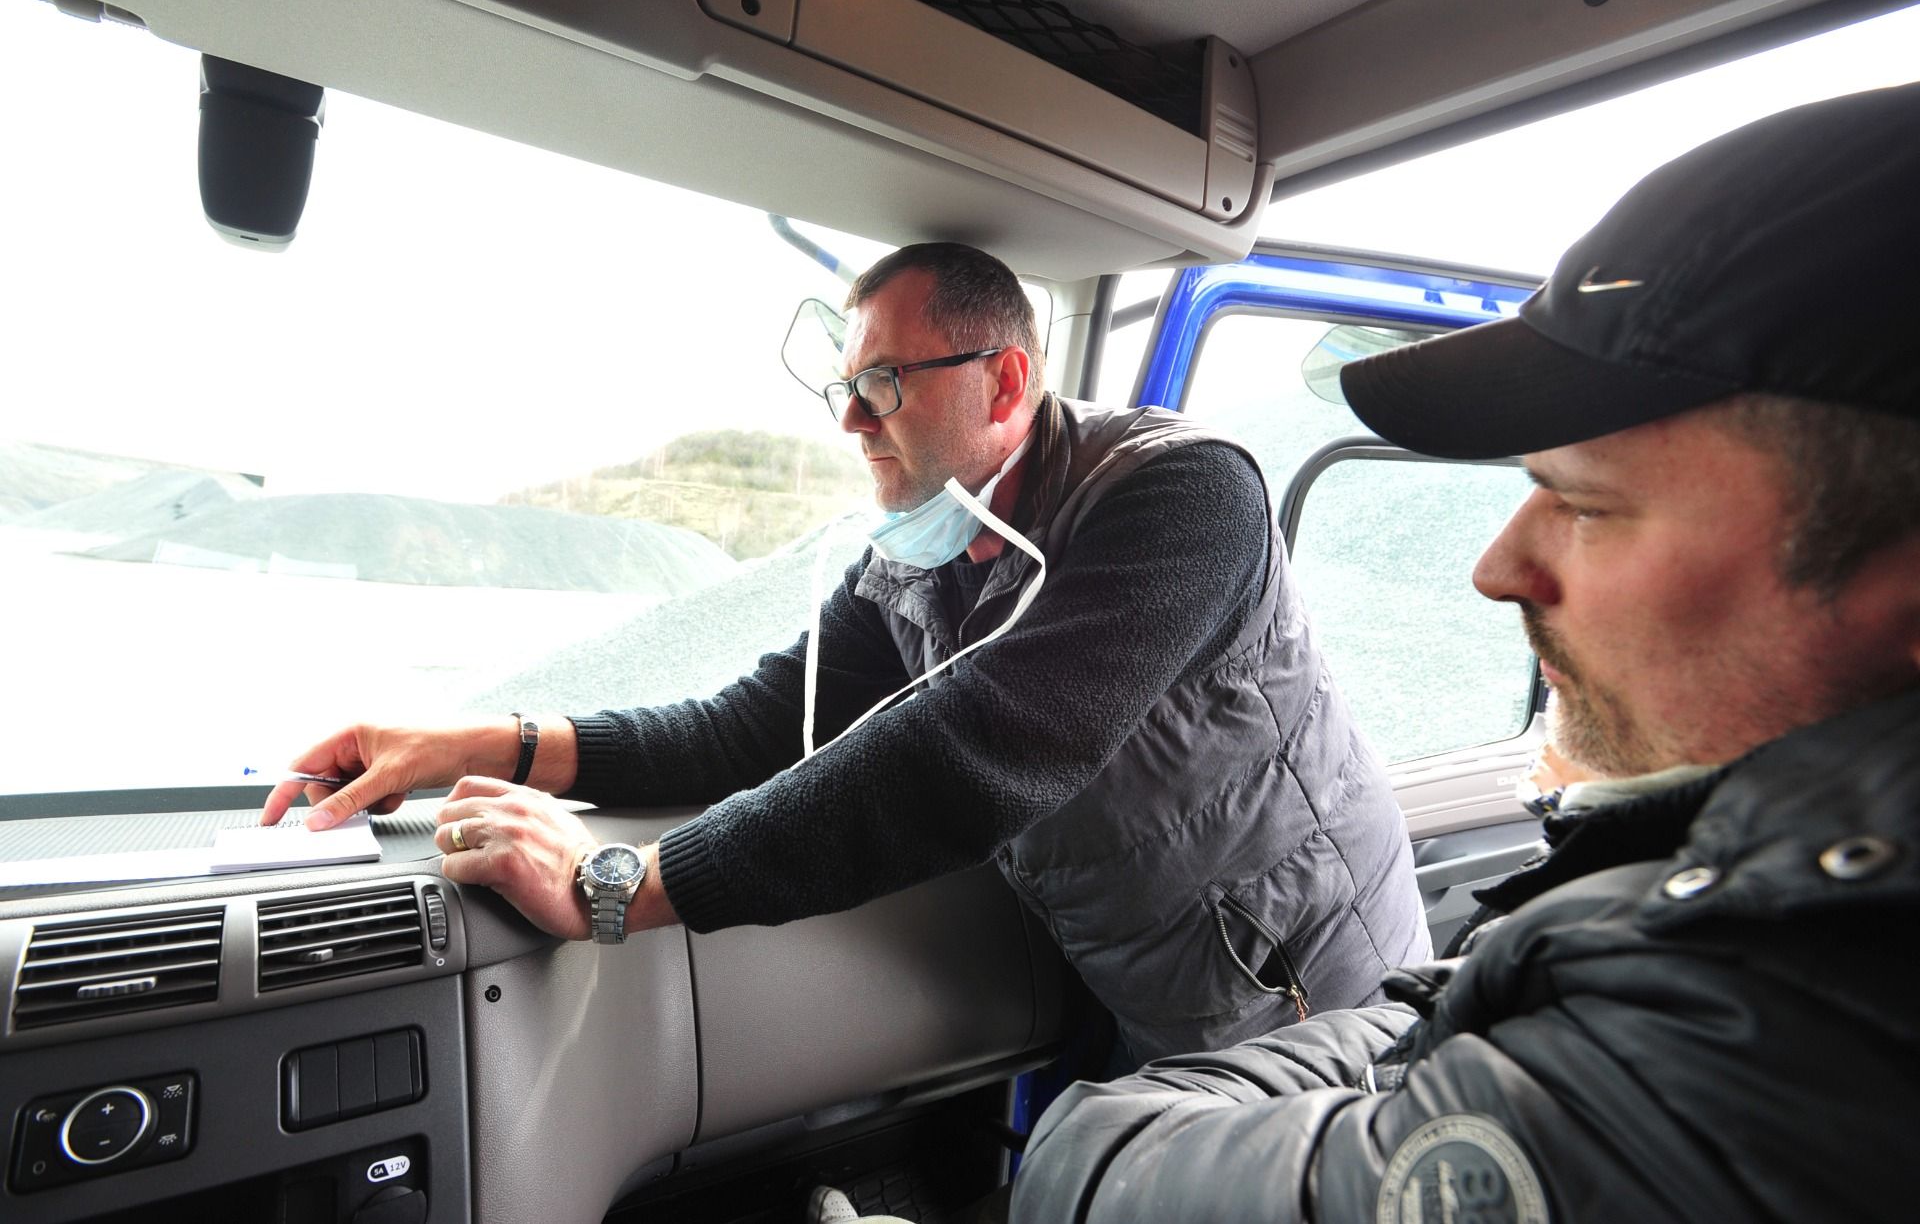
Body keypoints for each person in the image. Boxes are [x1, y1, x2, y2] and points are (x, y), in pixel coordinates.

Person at [1009, 81, 1920, 1223]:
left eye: (1585, 505)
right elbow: (1451, 1012)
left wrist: (1097, 1126)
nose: (1497, 569)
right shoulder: (1726, 918)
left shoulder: (1769, 1042)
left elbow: (1105, 1177)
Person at [263, 241, 1430, 1065]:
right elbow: (751, 728)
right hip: (1141, 977)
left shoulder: (1182, 495)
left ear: (1005, 381)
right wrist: (472, 744)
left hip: (1308, 993)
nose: (850, 420)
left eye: (881, 382)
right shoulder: (923, 556)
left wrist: (616, 887)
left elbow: (981, 747)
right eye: (845, 384)